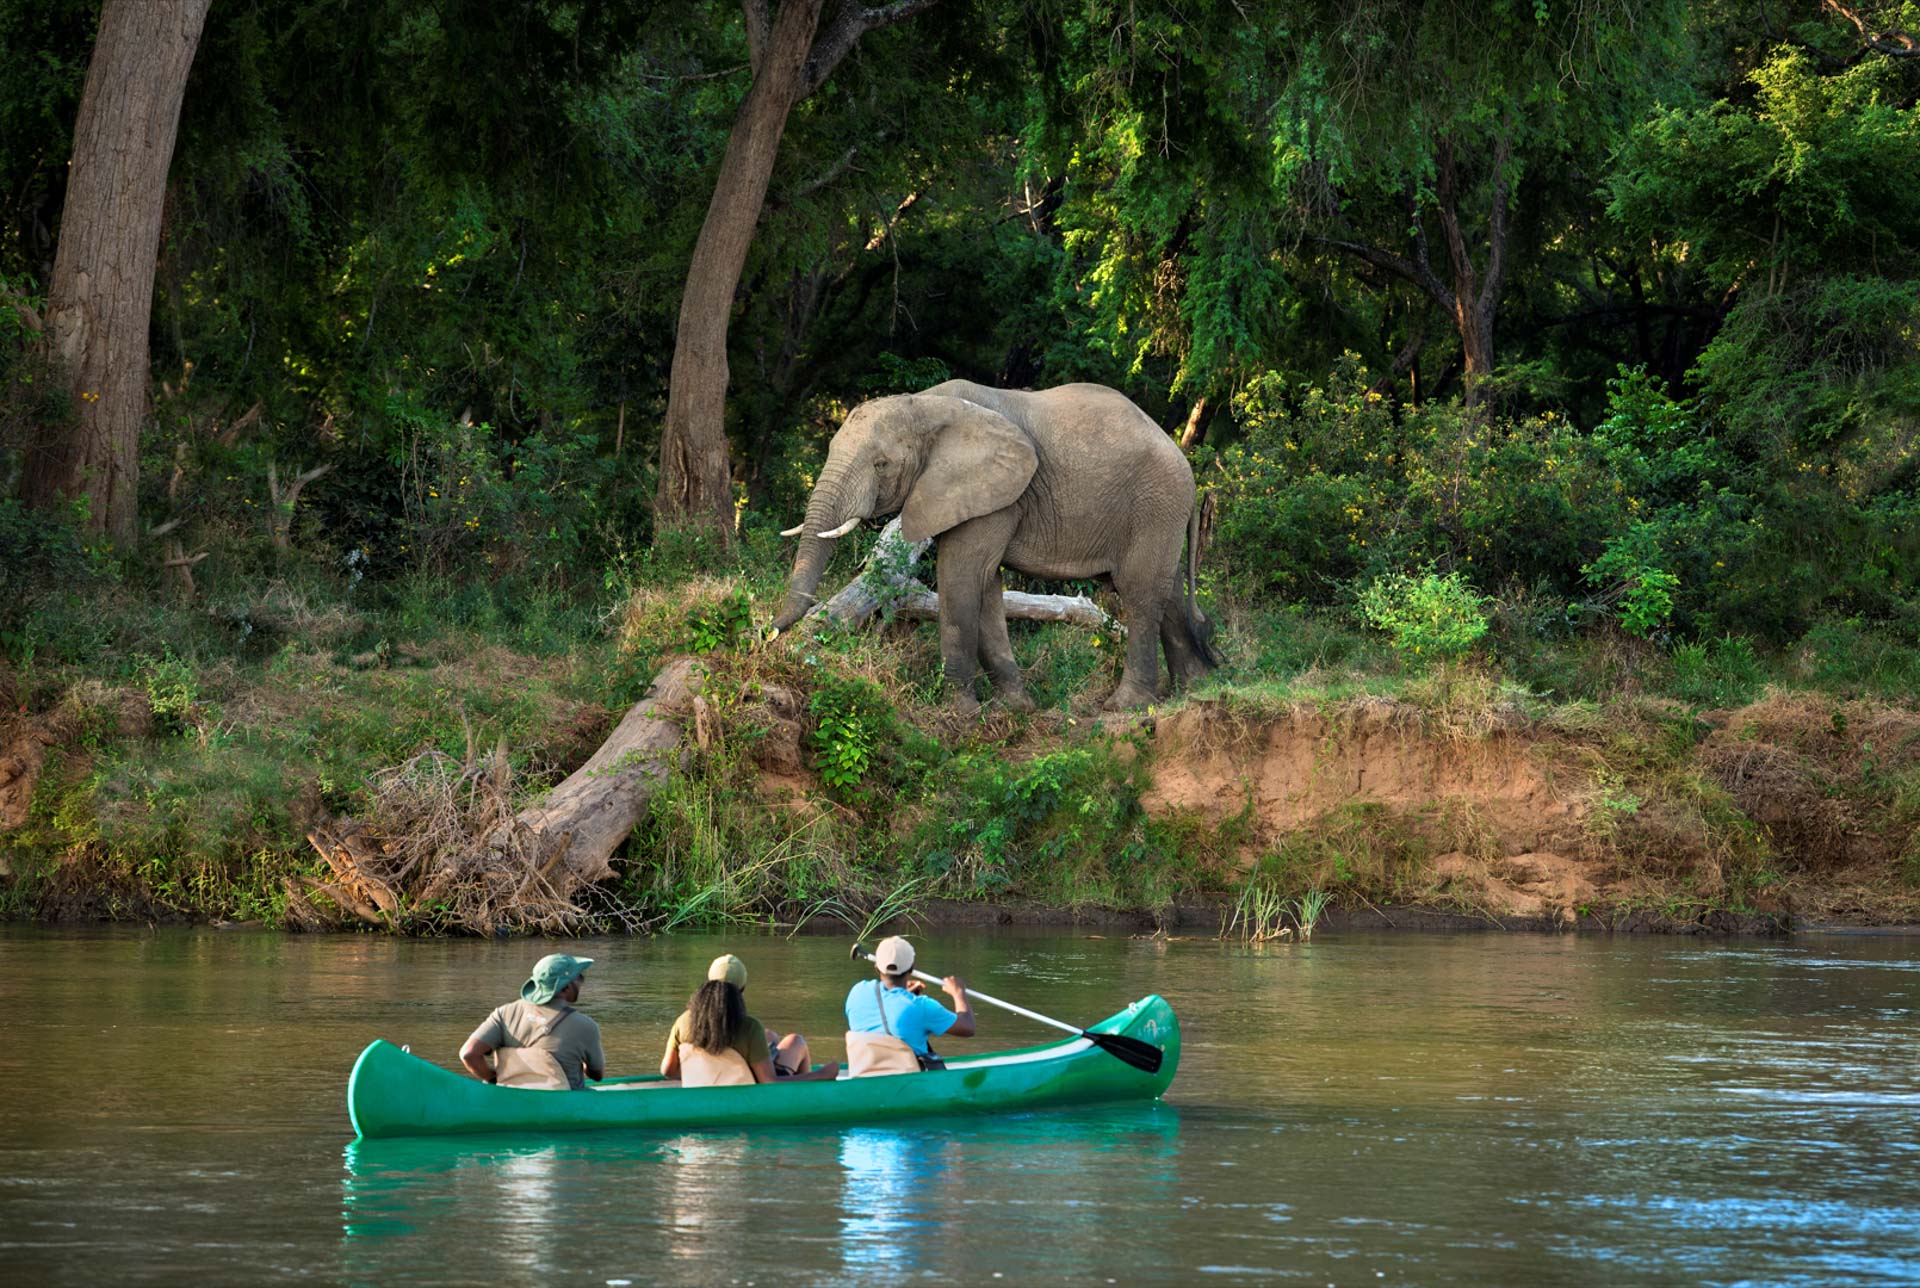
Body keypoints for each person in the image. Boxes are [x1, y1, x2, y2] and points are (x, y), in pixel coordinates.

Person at [661, 954, 839, 1084]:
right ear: (742, 988)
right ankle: (803, 1100)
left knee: (770, 1036)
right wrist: (822, 1074)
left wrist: (704, 1077)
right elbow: (769, 1083)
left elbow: (667, 1070)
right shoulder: (748, 1027)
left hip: (705, 1088)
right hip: (752, 1091)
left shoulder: (682, 1022)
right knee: (796, 1041)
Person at [460, 953, 605, 1090]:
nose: (581, 981)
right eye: (579, 977)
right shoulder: (586, 1025)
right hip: (564, 1101)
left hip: (512, 1097)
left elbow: (468, 1054)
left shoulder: (503, 1013)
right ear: (565, 988)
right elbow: (597, 1075)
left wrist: (493, 1079)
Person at [843, 936, 973, 1074]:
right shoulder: (921, 1006)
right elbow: (968, 1027)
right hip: (907, 1084)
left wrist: (904, 995)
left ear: (876, 967)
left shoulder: (857, 992)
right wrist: (959, 993)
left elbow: (887, 1012)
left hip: (864, 1077)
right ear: (911, 968)